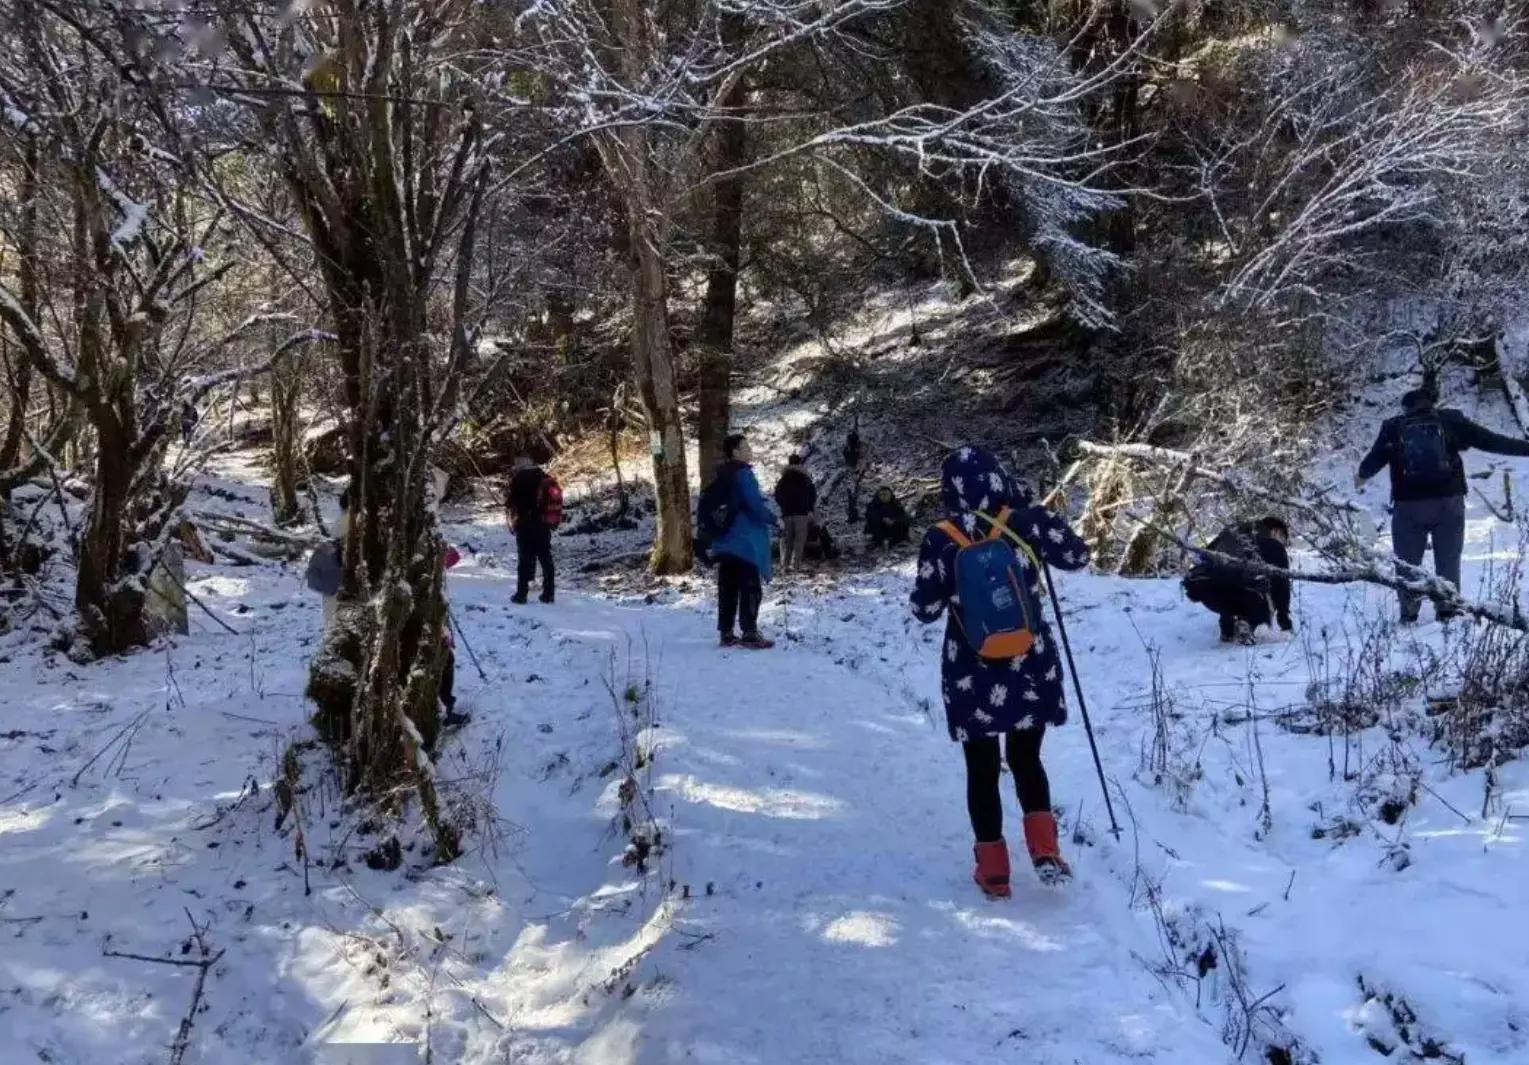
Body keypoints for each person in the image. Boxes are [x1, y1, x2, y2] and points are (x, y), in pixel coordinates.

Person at [910, 445, 1090, 898]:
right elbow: (1077, 556)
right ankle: (1046, 851)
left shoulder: (941, 536)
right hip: (1031, 661)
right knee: (1027, 757)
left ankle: (993, 872)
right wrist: (1031, 517)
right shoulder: (1026, 521)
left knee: (982, 768)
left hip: (970, 665)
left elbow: (925, 609)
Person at [1356, 388, 1529, 622]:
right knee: (1448, 558)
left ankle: (1409, 613)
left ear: (1405, 408)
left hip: (1408, 506)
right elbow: (1491, 440)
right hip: (1449, 503)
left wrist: (1361, 476)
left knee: (1407, 561)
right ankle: (1447, 610)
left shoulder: (1393, 426)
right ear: (1431, 404)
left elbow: (1371, 462)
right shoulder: (1449, 421)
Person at [710, 434, 778, 649]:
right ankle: (749, 632)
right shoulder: (743, 474)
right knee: (750, 587)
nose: (750, 449)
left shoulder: (721, 474)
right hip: (745, 542)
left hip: (724, 541)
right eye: (746, 446)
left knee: (727, 587)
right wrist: (775, 520)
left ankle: (726, 633)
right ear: (736, 452)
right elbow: (754, 505)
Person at [1184, 517, 1292, 644]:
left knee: (1227, 586)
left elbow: (1204, 555)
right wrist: (1284, 619)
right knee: (1260, 593)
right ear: (1276, 531)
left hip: (1205, 586)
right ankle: (1246, 622)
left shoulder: (1232, 531)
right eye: (1283, 537)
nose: (1284, 543)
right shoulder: (1272, 544)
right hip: (1244, 589)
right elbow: (1282, 583)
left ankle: (1228, 627)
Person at [506, 456, 559, 605]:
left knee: (525, 560)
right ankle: (548, 594)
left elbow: (511, 502)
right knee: (546, 558)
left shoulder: (519, 479)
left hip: (525, 525)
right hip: (543, 524)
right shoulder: (545, 477)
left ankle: (521, 594)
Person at [773, 454, 817, 573]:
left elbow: (777, 495)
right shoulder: (805, 478)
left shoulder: (783, 480)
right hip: (802, 513)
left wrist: (784, 506)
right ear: (800, 462)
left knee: (788, 540)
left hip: (787, 514)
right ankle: (795, 565)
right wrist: (809, 508)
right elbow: (812, 495)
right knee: (799, 540)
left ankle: (785, 565)